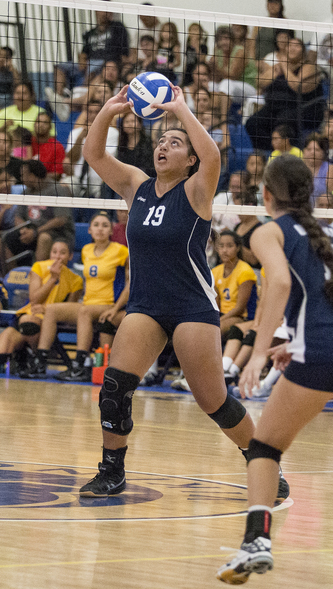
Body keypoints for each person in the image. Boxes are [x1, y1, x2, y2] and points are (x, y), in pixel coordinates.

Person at [76, 84, 288, 501]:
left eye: (175, 144)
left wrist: (180, 109)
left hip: (191, 306)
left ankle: (261, 457)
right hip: (146, 306)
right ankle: (112, 470)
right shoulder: (135, 185)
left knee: (213, 401)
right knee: (115, 387)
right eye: (161, 141)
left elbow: (213, 156)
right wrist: (108, 110)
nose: (163, 147)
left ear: (189, 160)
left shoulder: (196, 190)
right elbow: (94, 155)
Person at [216, 153, 333, 583]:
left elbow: (281, 284)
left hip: (320, 354)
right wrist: (295, 343)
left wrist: (262, 351)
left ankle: (256, 543)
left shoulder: (270, 230)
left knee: (264, 449)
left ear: (265, 194)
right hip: (319, 348)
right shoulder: (322, 231)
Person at [32, 211, 129, 382]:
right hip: (88, 303)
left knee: (84, 312)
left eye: (105, 225)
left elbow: (130, 283)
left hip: (108, 304)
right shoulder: (86, 250)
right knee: (52, 310)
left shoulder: (121, 251)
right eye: (96, 225)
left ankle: (79, 365)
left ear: (111, 231)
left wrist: (116, 308)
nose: (100, 229)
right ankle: (40, 362)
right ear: (89, 230)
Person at [0, 238, 83, 376]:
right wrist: (52, 279)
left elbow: (69, 308)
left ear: (70, 256)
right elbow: (34, 300)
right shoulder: (38, 267)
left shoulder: (76, 280)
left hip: (47, 319)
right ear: (50, 254)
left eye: (62, 253)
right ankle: (23, 352)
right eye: (54, 252)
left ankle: (34, 358)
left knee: (29, 323)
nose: (57, 256)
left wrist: (47, 310)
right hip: (29, 313)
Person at [246, 38, 325, 150]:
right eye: (289, 45)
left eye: (296, 46)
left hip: (303, 108)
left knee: (283, 121)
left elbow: (297, 86)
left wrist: (285, 67)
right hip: (275, 107)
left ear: (303, 51)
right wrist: (274, 72)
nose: (292, 48)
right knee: (252, 122)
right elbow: (259, 82)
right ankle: (269, 152)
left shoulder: (309, 67)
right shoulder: (278, 67)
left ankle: (288, 153)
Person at [2, 160, 75, 264]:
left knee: (43, 238)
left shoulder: (57, 189)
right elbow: (18, 216)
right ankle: (12, 277)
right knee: (2, 239)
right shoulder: (26, 192)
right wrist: (24, 230)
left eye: (23, 175)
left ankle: (38, 277)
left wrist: (36, 232)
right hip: (32, 233)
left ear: (32, 176)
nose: (21, 179)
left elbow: (61, 220)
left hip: (57, 234)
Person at [212, 230, 258, 339]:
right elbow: (215, 304)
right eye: (221, 246)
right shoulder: (215, 271)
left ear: (237, 248)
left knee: (215, 331)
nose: (224, 250)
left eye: (229, 246)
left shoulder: (245, 271)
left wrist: (219, 320)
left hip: (240, 316)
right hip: (222, 315)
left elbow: (240, 308)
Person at [31, 112, 65, 177]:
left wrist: (37, 179)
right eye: (38, 121)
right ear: (34, 124)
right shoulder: (27, 142)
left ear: (50, 127)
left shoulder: (57, 146)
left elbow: (57, 174)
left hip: (48, 184)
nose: (41, 125)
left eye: (45, 122)